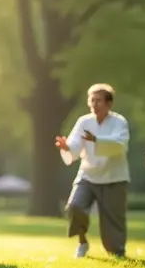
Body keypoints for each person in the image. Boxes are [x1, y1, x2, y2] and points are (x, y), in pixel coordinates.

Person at [55, 83, 130, 258]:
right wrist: (66, 147)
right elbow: (75, 144)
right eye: (92, 100)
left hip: (114, 177)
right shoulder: (84, 121)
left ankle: (117, 251)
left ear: (109, 103)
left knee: (113, 219)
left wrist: (96, 139)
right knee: (75, 206)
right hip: (88, 174)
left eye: (99, 101)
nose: (95, 104)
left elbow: (119, 145)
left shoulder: (119, 122)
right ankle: (82, 241)